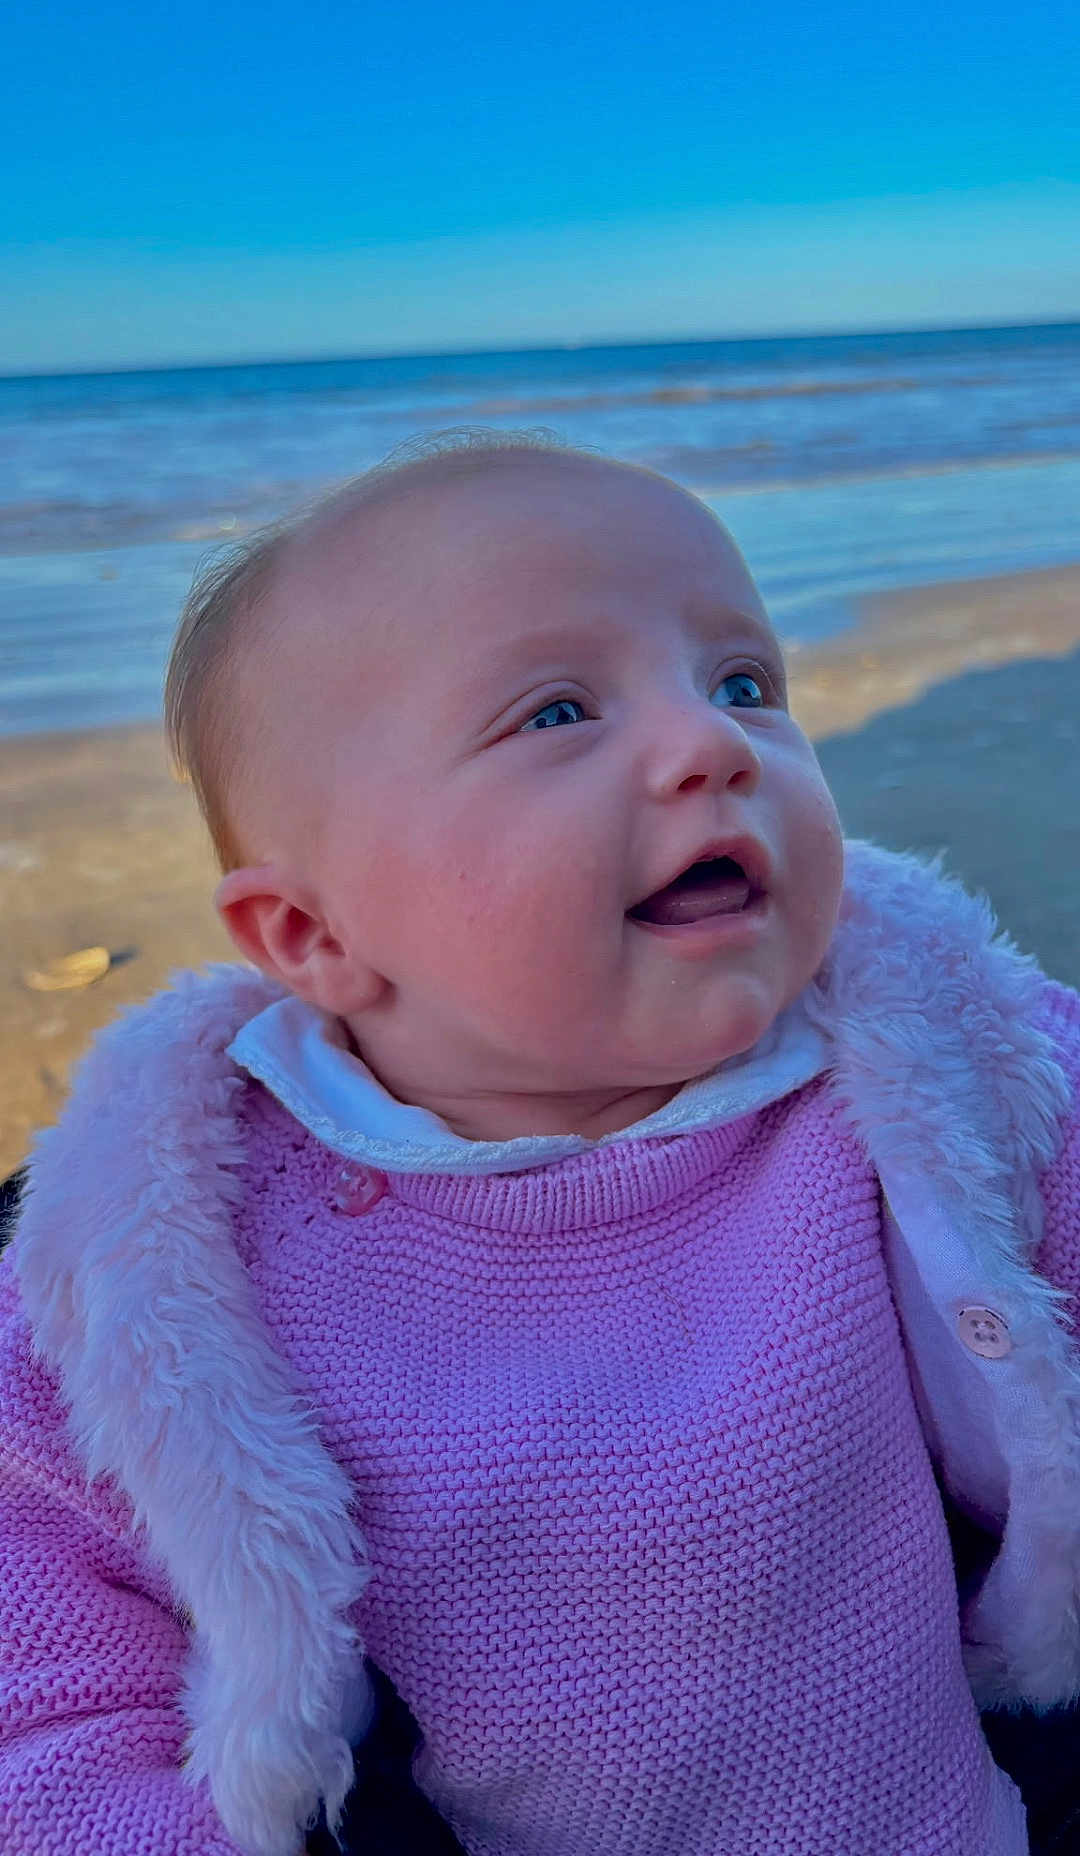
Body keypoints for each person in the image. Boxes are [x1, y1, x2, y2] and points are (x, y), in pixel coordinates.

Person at [2, 429, 1079, 1856]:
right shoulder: (155, 1254)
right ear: (316, 936)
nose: (713, 744)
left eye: (744, 681)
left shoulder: (931, 1062)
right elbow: (51, 1696)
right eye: (560, 713)